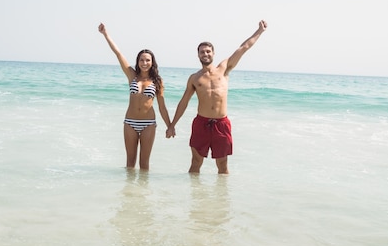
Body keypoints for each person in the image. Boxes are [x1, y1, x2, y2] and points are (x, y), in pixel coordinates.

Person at [166, 20, 268, 174]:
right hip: (201, 124)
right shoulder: (194, 78)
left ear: (213, 53)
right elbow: (184, 102)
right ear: (198, 55)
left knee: (222, 165)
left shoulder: (224, 69)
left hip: (221, 124)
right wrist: (172, 124)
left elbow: (244, 47)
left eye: (208, 51)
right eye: (202, 52)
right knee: (196, 163)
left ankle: (222, 198)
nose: (205, 54)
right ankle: (195, 196)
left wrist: (259, 31)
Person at [98, 23, 172, 170]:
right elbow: (118, 54)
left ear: (152, 62)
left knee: (144, 165)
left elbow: (162, 106)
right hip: (130, 122)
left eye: (147, 60)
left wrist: (170, 126)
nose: (144, 63)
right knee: (130, 164)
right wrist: (106, 35)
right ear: (138, 62)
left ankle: (142, 192)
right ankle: (129, 192)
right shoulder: (132, 75)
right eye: (142, 60)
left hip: (148, 124)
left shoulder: (158, 81)